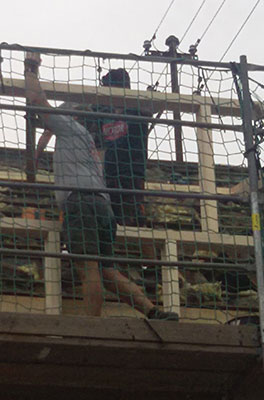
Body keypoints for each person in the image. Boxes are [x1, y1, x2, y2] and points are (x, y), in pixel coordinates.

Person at [24, 54, 178, 321]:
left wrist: (30, 68)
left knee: (88, 267)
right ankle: (151, 310)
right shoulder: (91, 144)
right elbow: (40, 116)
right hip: (103, 208)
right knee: (107, 270)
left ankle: (93, 326)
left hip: (82, 203)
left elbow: (38, 102)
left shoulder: (70, 128)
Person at [94, 68, 152, 227]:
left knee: (135, 221)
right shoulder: (104, 113)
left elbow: (151, 108)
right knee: (110, 222)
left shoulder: (137, 110)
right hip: (110, 176)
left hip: (131, 176)